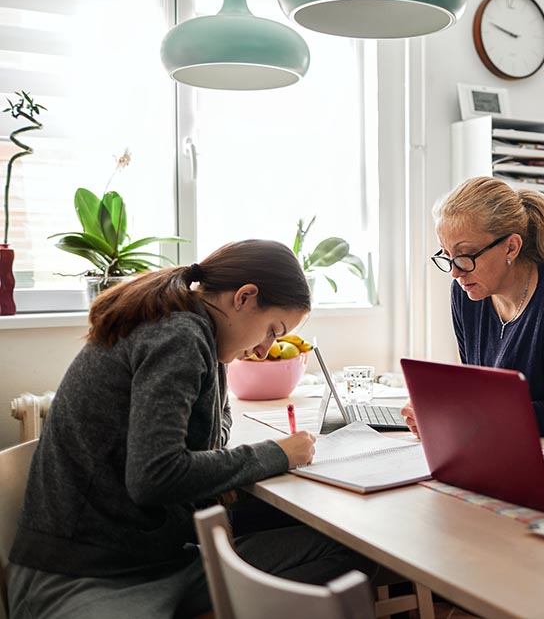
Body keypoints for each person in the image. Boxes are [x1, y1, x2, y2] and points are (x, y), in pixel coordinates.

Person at [8, 240, 374, 619]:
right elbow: (155, 476)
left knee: (349, 551)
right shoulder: (178, 335)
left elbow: (214, 427)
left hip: (151, 552)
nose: (265, 350)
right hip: (88, 572)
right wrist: (277, 454)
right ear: (245, 298)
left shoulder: (200, 331)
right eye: (271, 330)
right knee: (344, 561)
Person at [401, 176, 544, 437]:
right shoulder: (466, 294)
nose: (455, 272)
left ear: (511, 247)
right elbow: (480, 395)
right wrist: (439, 411)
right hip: (516, 445)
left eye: (465, 256)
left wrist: (460, 417)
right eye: (447, 255)